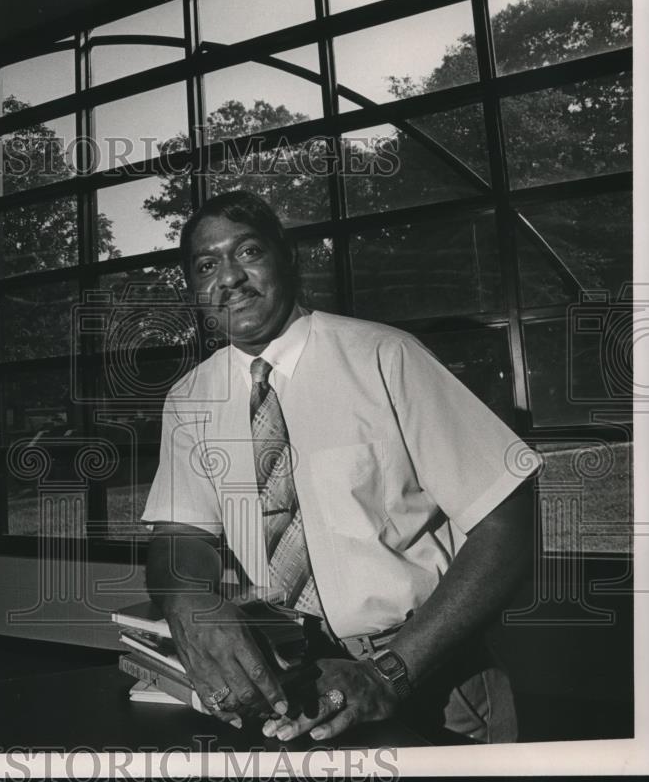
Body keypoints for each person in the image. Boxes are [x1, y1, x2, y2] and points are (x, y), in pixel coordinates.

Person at [142, 190, 540, 744]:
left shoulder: (385, 358)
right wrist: (186, 597)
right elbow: (179, 533)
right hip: (287, 678)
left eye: (248, 253)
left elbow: (510, 522)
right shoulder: (190, 400)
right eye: (207, 265)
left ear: (290, 259)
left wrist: (390, 671)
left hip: (427, 670)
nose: (229, 278)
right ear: (194, 291)